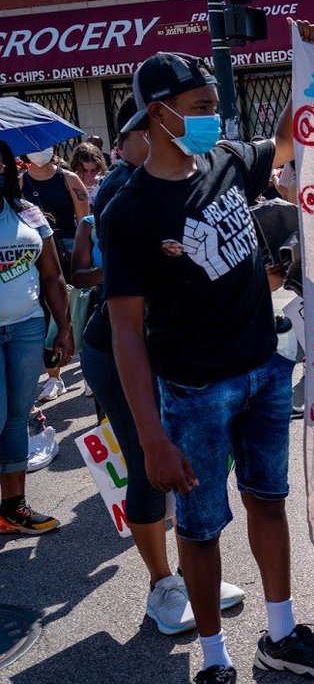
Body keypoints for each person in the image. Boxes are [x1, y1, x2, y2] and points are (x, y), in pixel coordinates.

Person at [102, 23, 314, 683]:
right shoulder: (127, 213)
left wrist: (313, 59)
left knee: (268, 501)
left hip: (264, 373)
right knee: (202, 527)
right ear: (159, 114)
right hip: (193, 394)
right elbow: (126, 330)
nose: (216, 118)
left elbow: (295, 134)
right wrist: (151, 438)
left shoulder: (230, 161)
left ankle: (280, 633)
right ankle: (213, 661)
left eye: (216, 105)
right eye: (202, 107)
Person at [75, 95, 247, 636]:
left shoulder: (199, 176)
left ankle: (190, 571)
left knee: (191, 465)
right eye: (126, 135)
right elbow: (130, 314)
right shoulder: (119, 196)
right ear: (149, 126)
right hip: (121, 350)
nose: (121, 146)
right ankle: (161, 585)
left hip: (176, 346)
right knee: (152, 464)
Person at [0, 140, 73, 534]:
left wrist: (64, 327)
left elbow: (51, 274)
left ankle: (12, 508)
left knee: (16, 418)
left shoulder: (26, 211)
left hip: (27, 327)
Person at [20, 146, 89, 402]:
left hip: (70, 251)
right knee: (47, 313)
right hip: (39, 256)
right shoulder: (20, 183)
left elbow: (85, 219)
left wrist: (85, 255)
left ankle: (88, 374)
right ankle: (54, 377)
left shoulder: (69, 179)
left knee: (80, 311)